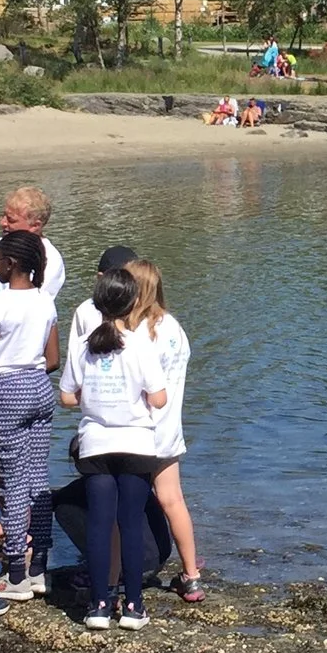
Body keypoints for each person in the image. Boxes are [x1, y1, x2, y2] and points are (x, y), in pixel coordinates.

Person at [57, 266, 171, 631]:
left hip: (95, 445)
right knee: (131, 523)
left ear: (98, 303)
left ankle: (99, 605)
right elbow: (159, 397)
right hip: (135, 443)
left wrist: (94, 398)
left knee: (100, 525)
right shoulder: (140, 345)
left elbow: (66, 397)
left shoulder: (82, 345)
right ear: (134, 303)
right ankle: (133, 606)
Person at [0, 230, 62, 603]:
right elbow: (53, 358)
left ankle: (15, 573)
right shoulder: (45, 301)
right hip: (40, 388)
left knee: (12, 483)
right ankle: (39, 565)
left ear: (10, 263)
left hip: (8, 390)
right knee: (38, 479)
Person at [125, 258, 203, 602]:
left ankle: (118, 575)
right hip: (169, 429)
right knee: (173, 500)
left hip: (137, 430)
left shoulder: (135, 332)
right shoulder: (174, 328)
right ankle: (191, 575)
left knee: (124, 506)